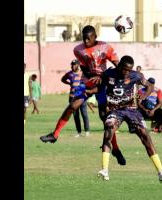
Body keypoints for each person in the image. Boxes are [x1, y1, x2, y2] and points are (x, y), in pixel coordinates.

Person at [40, 25, 126, 165]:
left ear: (95, 37)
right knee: (72, 106)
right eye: (84, 38)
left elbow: (118, 66)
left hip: (103, 84)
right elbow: (85, 69)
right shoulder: (78, 50)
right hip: (88, 82)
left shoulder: (106, 47)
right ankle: (55, 134)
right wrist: (92, 78)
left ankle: (115, 149)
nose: (86, 41)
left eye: (89, 38)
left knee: (105, 117)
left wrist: (104, 78)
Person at [94, 55, 162, 182]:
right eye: (125, 69)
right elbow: (100, 87)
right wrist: (92, 93)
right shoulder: (109, 74)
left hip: (132, 110)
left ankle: (161, 173)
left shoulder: (136, 75)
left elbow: (150, 86)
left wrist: (144, 96)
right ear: (119, 66)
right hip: (115, 110)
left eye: (129, 70)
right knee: (109, 129)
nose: (127, 72)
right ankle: (105, 170)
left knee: (145, 135)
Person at [61, 59, 90, 137]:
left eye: (74, 64)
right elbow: (62, 79)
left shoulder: (82, 73)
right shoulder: (69, 74)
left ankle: (87, 131)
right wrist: (69, 83)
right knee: (75, 115)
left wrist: (86, 90)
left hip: (81, 96)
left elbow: (88, 82)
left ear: (78, 65)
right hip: (72, 97)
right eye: (71, 65)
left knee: (84, 113)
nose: (72, 66)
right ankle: (79, 132)